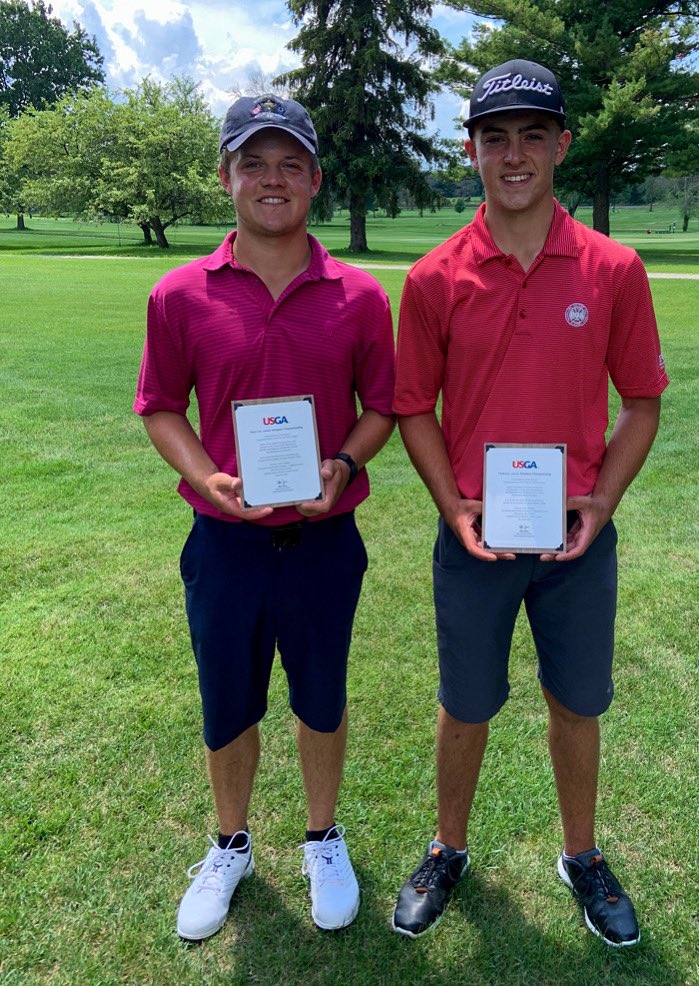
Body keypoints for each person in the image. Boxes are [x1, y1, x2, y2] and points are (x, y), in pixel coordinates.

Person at [391, 59, 668, 946]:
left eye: (531, 136)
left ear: (561, 146)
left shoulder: (612, 268)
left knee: (576, 701)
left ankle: (581, 855)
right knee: (465, 703)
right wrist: (450, 507)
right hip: (472, 537)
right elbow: (411, 407)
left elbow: (642, 400)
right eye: (494, 137)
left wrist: (602, 501)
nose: (513, 155)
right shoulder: (433, 277)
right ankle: (448, 848)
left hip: (574, 541)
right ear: (469, 150)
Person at [134, 93, 395, 940]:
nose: (272, 179)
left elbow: (382, 407)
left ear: (314, 179)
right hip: (226, 543)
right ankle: (230, 844)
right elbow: (160, 406)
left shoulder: (357, 295)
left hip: (323, 540)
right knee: (227, 702)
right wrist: (206, 476)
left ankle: (322, 837)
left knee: (321, 697)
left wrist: (345, 462)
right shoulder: (180, 293)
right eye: (254, 162)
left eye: (290, 163)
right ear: (226, 176)